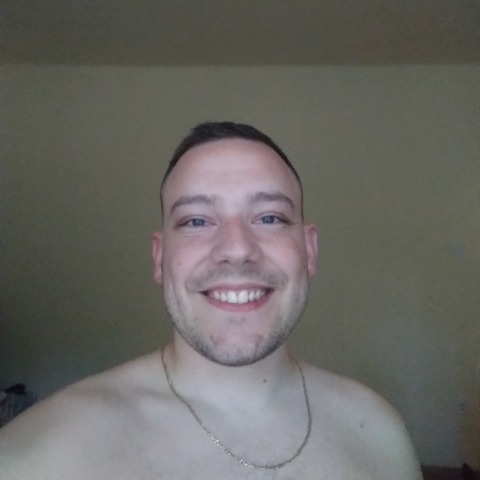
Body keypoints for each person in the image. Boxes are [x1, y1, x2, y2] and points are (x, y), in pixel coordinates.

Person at [0, 121, 422, 479]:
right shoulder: (41, 455)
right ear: (160, 258)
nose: (236, 249)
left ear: (309, 250)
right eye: (197, 221)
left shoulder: (380, 432)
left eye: (270, 217)